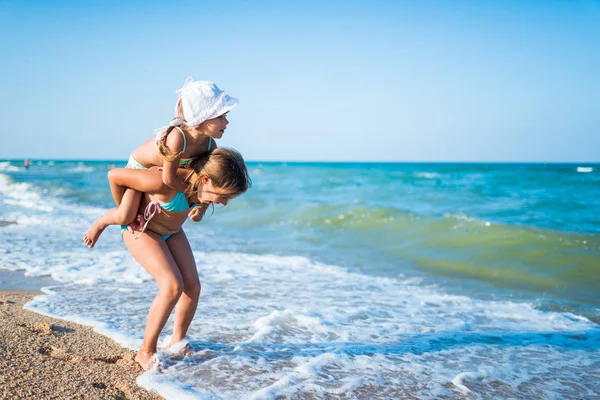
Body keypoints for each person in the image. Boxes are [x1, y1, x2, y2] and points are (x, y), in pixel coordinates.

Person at [101, 148, 250, 371]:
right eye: (224, 197)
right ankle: (146, 350)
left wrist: (201, 209)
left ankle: (177, 342)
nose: (225, 203)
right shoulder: (163, 182)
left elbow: (205, 195)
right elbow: (115, 176)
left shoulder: (202, 184)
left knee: (192, 286)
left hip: (172, 231)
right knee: (171, 286)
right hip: (143, 230)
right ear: (206, 180)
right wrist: (127, 212)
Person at [83, 77, 238, 248]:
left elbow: (206, 181)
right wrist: (190, 193)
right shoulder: (177, 138)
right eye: (221, 116)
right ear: (202, 117)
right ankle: (101, 222)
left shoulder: (210, 145)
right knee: (126, 216)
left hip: (159, 173)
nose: (227, 121)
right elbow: (168, 179)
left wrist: (201, 207)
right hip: (139, 169)